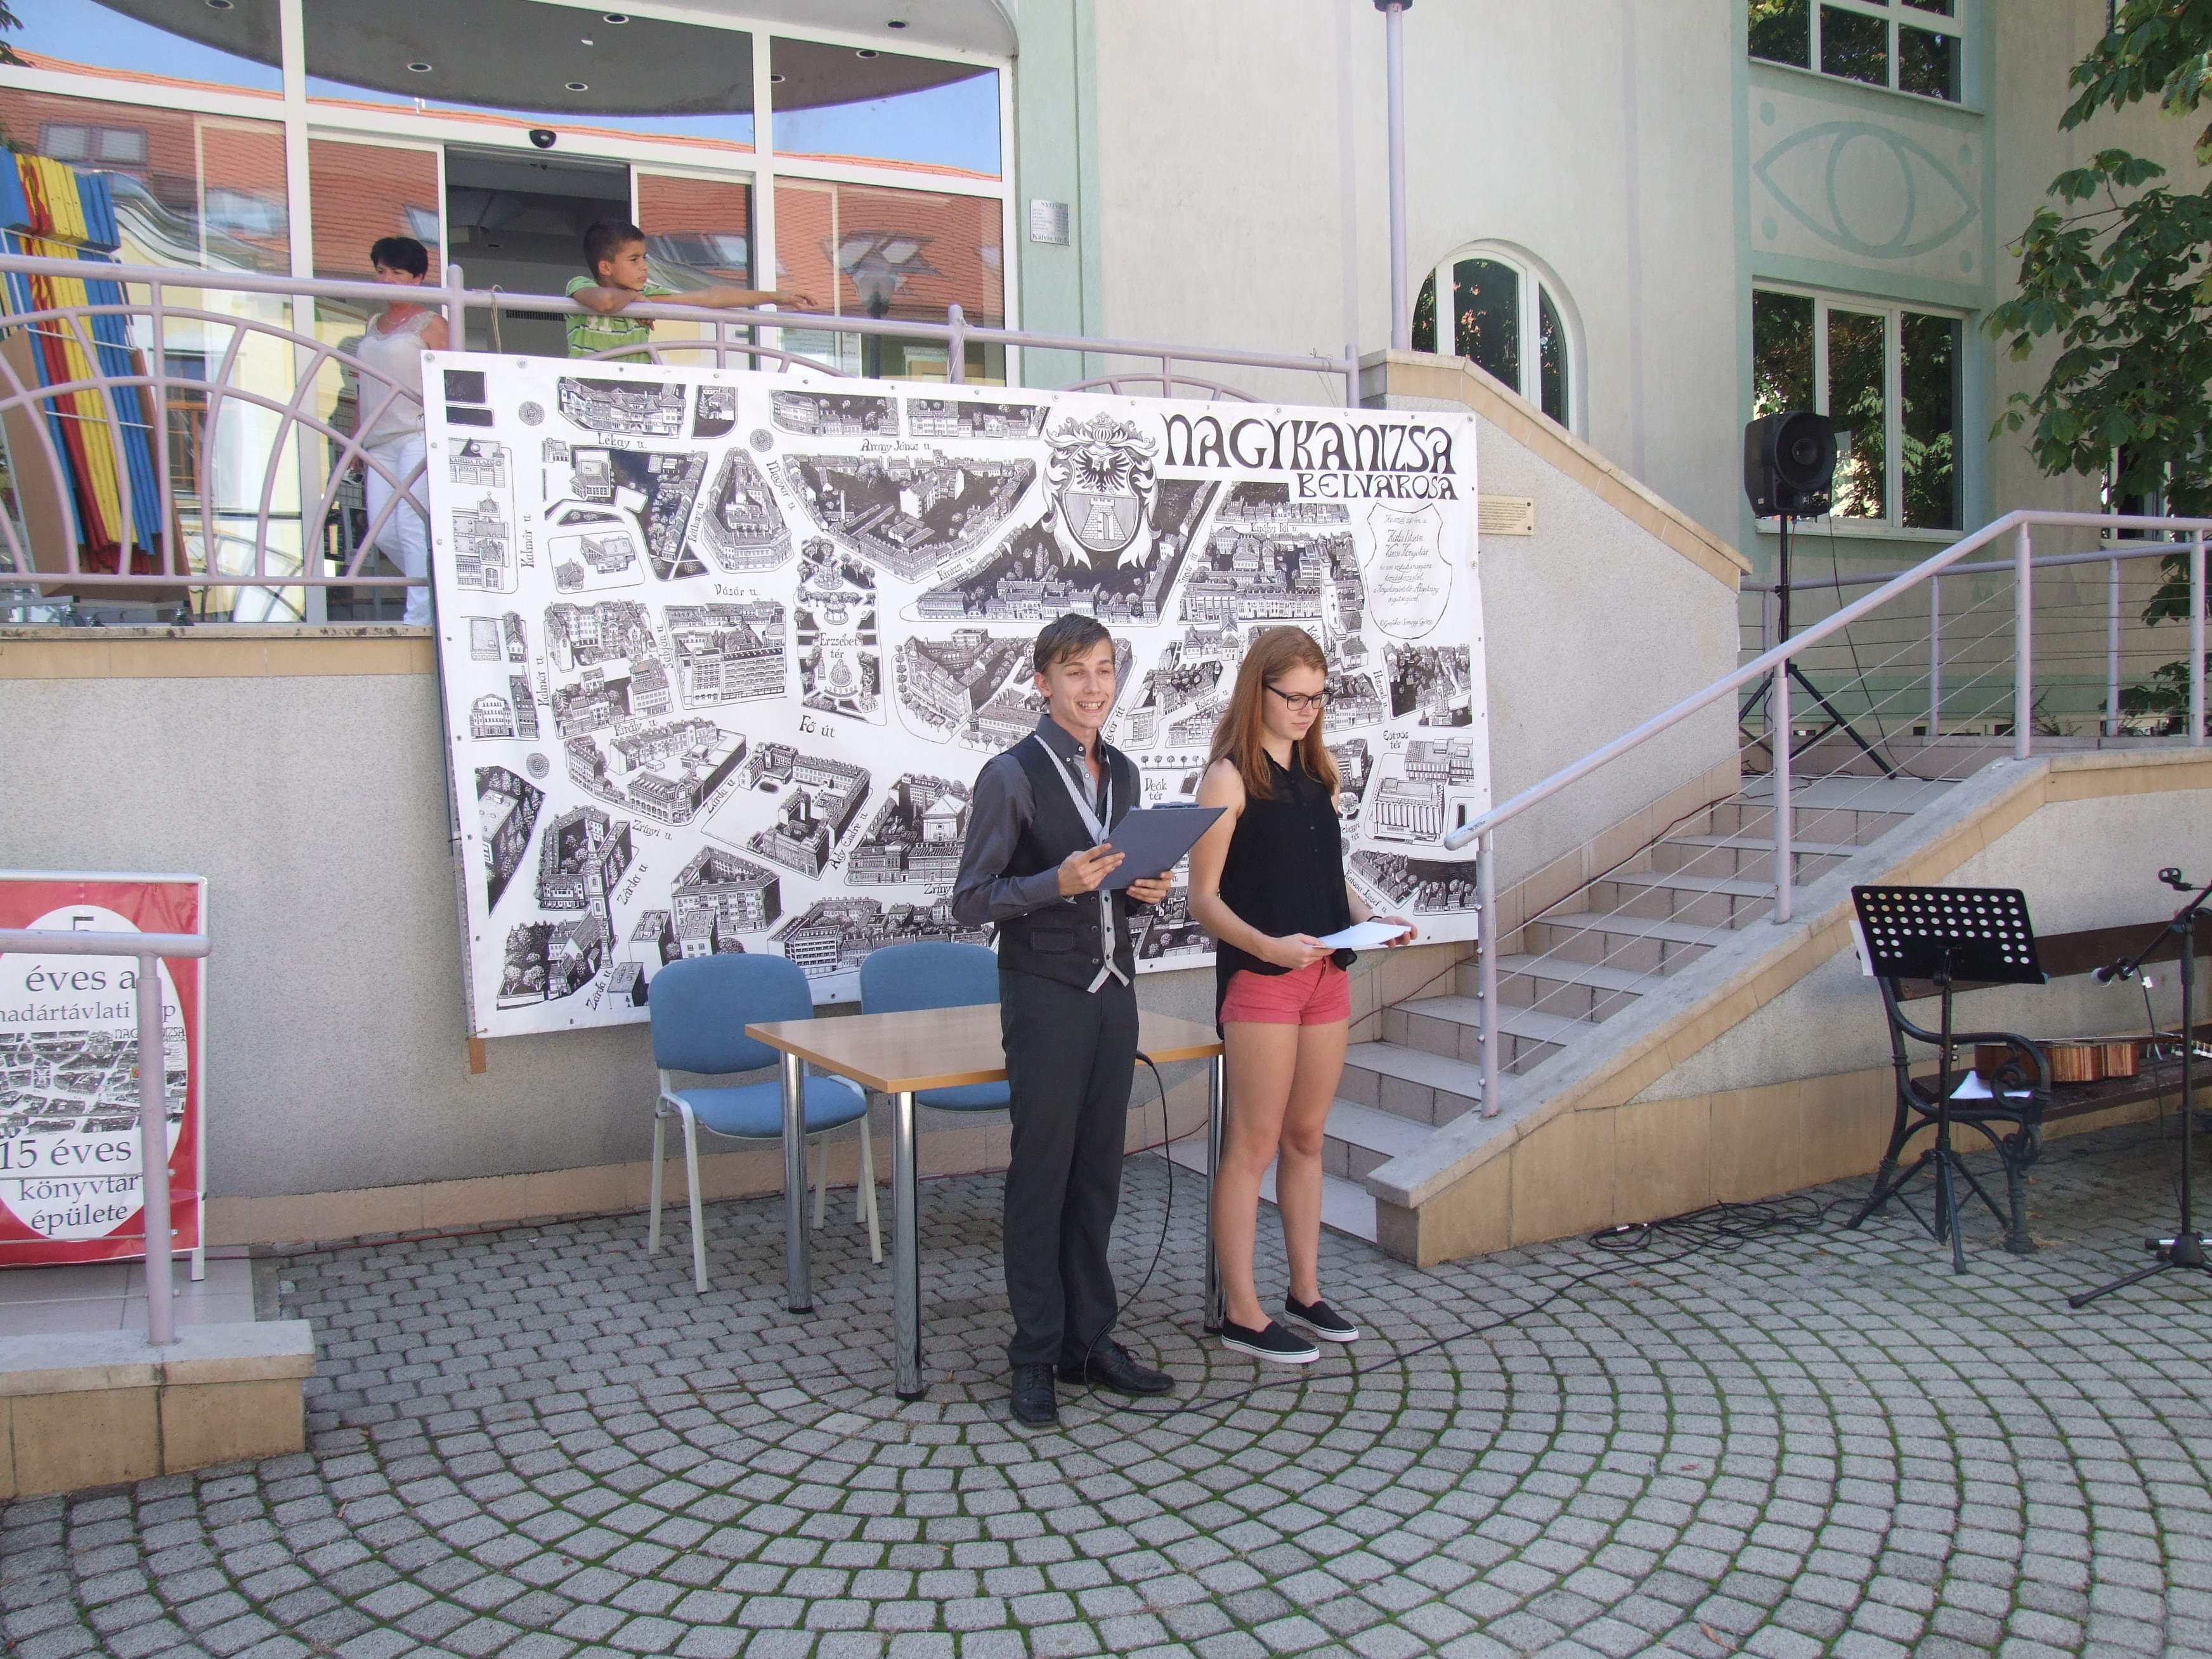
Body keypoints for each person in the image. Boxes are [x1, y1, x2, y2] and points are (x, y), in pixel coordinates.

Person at [951, 614, 1178, 1426]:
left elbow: (1114, 886)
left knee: (1097, 1176)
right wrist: (1057, 882)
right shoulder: (1009, 775)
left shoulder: (1123, 772)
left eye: (1104, 669)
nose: (1093, 687)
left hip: (1114, 991)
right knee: (1042, 1176)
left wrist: (1141, 888)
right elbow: (970, 900)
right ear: (1041, 683)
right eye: (1075, 671)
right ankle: (1034, 1355)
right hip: (1044, 993)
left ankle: (1088, 1341)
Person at [1187, 626, 1416, 1363]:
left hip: (1325, 976)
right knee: (1252, 1144)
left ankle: (1304, 1291)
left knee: (1307, 1137)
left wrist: (1371, 920)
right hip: (1262, 979)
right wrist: (1268, 948)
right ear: (1258, 690)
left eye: (1317, 698)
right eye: (1293, 697)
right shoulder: (1227, 778)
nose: (1307, 711)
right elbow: (1202, 899)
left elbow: (1324, 876)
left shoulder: (1319, 772)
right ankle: (1240, 1312)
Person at [353, 235, 445, 627]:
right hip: (379, 440)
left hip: (417, 434)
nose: (387, 280)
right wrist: (357, 438)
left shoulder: (432, 324)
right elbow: (363, 385)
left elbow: (449, 382)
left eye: (397, 272)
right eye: (381, 272)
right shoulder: (373, 323)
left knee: (410, 524)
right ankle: (439, 591)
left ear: (418, 278)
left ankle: (419, 619)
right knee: (382, 531)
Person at [566, 219, 812, 361]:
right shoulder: (582, 286)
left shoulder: (648, 296)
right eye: (634, 260)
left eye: (644, 257)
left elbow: (711, 297)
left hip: (635, 391)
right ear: (605, 267)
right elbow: (606, 302)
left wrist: (773, 296)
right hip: (587, 389)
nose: (644, 266)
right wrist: (634, 298)